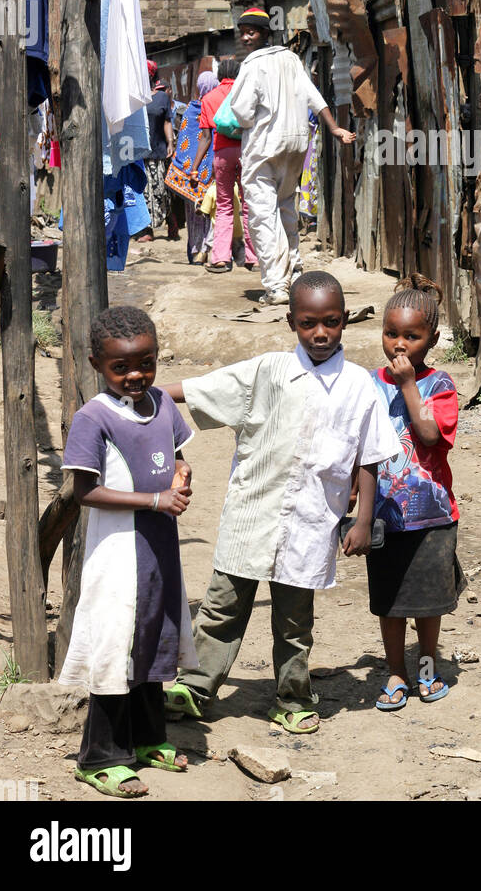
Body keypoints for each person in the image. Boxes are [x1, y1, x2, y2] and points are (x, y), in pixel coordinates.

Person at [161, 271, 399, 733]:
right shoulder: (266, 372)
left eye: (330, 321)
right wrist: (141, 396)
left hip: (311, 522)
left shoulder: (358, 386)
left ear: (345, 320)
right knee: (222, 608)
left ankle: (292, 697)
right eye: (309, 323)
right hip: (252, 515)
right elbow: (194, 391)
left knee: (294, 622)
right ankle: (194, 687)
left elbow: (370, 458)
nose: (321, 333)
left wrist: (364, 520)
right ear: (292, 322)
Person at [58, 306, 196, 798]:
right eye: (121, 367)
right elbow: (84, 492)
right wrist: (155, 500)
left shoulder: (161, 403)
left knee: (154, 637)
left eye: (146, 363)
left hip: (159, 545)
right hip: (118, 552)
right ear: (98, 364)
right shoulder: (94, 417)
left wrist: (180, 477)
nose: (136, 375)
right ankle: (99, 757)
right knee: (118, 645)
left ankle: (147, 739)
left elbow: (177, 454)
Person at [365, 275, 465, 711]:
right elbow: (358, 449)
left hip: (432, 516)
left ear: (433, 338)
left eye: (412, 335)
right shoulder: (367, 384)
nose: (399, 344)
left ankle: (427, 668)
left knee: (426, 601)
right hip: (384, 513)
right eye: (392, 334)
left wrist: (408, 386)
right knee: (389, 601)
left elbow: (428, 435)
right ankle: (394, 672)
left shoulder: (439, 384)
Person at [228, 7, 355, 305]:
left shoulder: (252, 64)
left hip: (264, 148)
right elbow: (314, 97)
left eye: (252, 31)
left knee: (262, 216)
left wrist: (240, 121)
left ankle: (276, 286)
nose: (246, 37)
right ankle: (295, 273)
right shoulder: (291, 59)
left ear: (265, 34)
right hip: (295, 146)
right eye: (243, 32)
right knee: (286, 209)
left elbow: (243, 113)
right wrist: (334, 128)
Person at [191, 56, 257, 274]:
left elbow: (205, 137)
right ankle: (253, 257)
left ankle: (220, 258)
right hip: (247, 152)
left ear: (220, 75)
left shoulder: (209, 98)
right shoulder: (246, 94)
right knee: (249, 205)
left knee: (224, 205)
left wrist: (195, 166)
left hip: (222, 154)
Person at [168, 70, 218, 264]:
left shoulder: (191, 108)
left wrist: (188, 167)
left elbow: (184, 142)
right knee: (212, 209)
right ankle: (209, 248)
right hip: (212, 170)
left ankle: (197, 250)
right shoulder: (218, 108)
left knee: (194, 212)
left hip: (192, 172)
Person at [137, 61, 178, 242]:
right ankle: (146, 230)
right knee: (143, 191)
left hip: (158, 151)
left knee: (161, 191)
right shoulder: (135, 97)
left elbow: (167, 121)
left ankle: (172, 223)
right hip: (138, 152)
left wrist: (171, 142)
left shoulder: (161, 97)